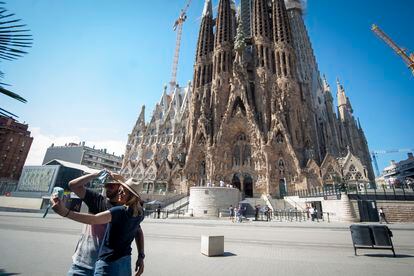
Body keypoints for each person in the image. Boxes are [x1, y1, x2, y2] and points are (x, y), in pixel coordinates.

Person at [52, 177, 144, 276]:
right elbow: (72, 185)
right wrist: (95, 174)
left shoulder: (122, 211)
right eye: (106, 185)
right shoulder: (98, 200)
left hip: (109, 264)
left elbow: (94, 219)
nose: (107, 188)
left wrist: (65, 212)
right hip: (84, 263)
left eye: (112, 185)